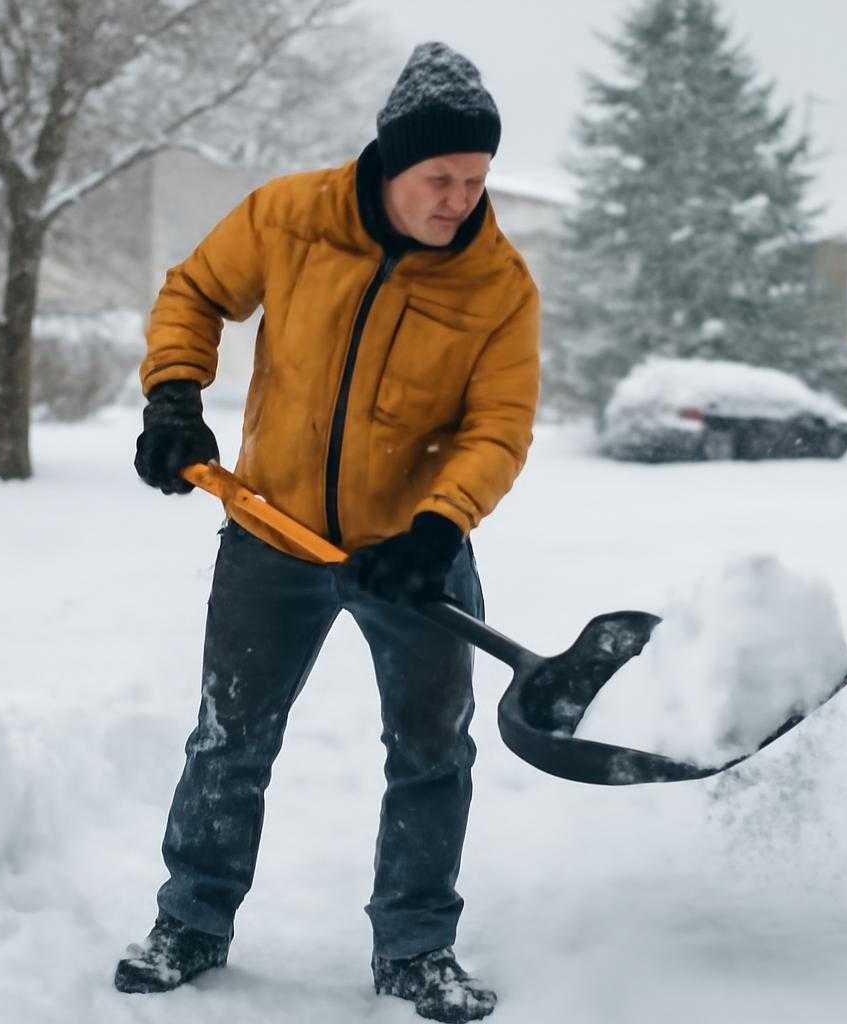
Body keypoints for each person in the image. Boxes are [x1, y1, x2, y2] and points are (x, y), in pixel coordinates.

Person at [115, 41, 540, 1024]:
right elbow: (194, 291)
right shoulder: (289, 217)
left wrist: (436, 527)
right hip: (273, 531)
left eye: (474, 181)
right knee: (230, 738)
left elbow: (498, 425)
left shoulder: (497, 283)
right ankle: (191, 921)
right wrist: (174, 395)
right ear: (391, 163)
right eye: (439, 178)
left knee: (433, 751)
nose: (457, 201)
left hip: (413, 553)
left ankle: (416, 949)